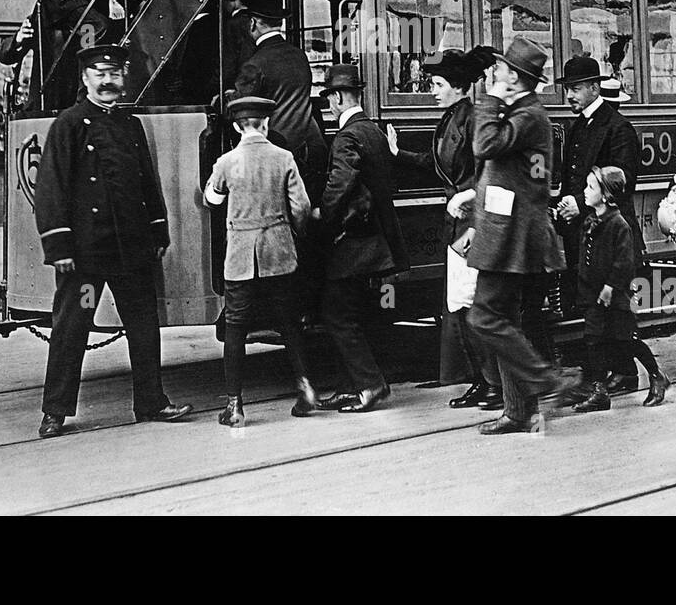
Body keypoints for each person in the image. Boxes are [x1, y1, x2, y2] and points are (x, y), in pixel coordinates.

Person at [34, 44, 192, 437]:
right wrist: (59, 248)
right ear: (86, 79)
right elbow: (50, 190)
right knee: (74, 325)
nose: (108, 82)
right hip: (87, 256)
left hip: (131, 251)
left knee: (143, 324)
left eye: (115, 74)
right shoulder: (69, 124)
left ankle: (151, 403)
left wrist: (158, 229)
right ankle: (55, 410)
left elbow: (146, 182)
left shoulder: (130, 125)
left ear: (123, 79)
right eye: (100, 74)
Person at [463, 38, 582, 436]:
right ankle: (516, 410)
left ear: (513, 77)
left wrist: (490, 100)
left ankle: (546, 380)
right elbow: (507, 173)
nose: (494, 74)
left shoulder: (527, 115)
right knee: (504, 319)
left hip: (511, 237)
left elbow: (484, 145)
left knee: (485, 316)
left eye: (500, 70)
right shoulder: (524, 113)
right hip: (506, 231)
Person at [387, 47, 501, 409]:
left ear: (457, 86)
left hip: (470, 225)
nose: (432, 90)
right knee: (460, 305)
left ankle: (493, 384)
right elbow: (438, 163)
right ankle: (483, 381)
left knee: (469, 305)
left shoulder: (471, 118)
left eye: (437, 84)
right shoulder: (454, 116)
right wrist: (397, 155)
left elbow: (487, 171)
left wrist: (470, 200)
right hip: (457, 225)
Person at [203, 95, 318, 427]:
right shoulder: (284, 158)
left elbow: (212, 199)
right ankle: (307, 388)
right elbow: (301, 207)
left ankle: (235, 406)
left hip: (241, 254)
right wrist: (294, 233)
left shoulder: (226, 162)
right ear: (266, 123)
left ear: (238, 126)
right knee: (289, 323)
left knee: (236, 327)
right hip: (279, 251)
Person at [313, 64, 408, 414]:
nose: (329, 105)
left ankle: (369, 385)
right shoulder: (374, 131)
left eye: (329, 99)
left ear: (337, 98)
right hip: (376, 241)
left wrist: (322, 216)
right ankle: (348, 386)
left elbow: (340, 184)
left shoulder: (347, 137)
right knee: (353, 313)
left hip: (353, 244)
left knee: (336, 314)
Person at [554, 57, 640, 331]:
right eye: (567, 88)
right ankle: (599, 368)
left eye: (575, 88)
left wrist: (579, 203)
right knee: (590, 307)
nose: (569, 95)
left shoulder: (617, 127)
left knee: (613, 310)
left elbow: (623, 183)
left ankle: (628, 370)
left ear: (594, 87)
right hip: (583, 231)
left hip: (608, 234)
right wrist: (564, 205)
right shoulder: (579, 126)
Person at [574, 165, 669, 412]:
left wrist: (609, 287)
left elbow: (624, 262)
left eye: (591, 187)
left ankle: (657, 375)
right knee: (593, 339)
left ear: (606, 195)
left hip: (614, 296)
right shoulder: (591, 220)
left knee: (627, 339)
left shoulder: (618, 224)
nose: (585, 191)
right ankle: (599, 392)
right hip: (592, 294)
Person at [235, 0, 328, 201]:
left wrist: (223, 99)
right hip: (306, 154)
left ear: (253, 23)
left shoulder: (255, 64)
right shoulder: (300, 57)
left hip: (272, 158)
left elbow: (242, 109)